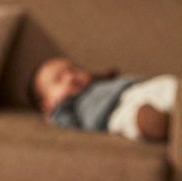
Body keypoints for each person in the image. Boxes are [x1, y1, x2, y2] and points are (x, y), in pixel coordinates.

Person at [29, 57, 174, 142]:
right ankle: (156, 123)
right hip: (114, 113)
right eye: (59, 79)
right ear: (47, 104)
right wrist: (55, 112)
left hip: (139, 89)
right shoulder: (67, 109)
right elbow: (69, 127)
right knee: (133, 118)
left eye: (73, 70)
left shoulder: (96, 83)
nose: (70, 77)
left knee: (168, 84)